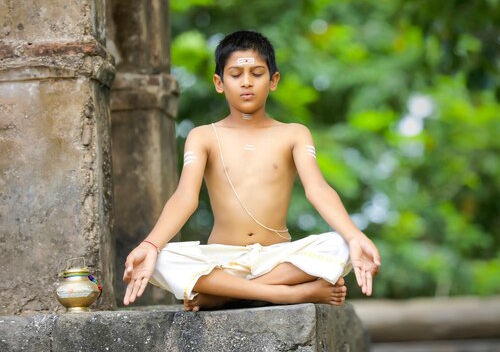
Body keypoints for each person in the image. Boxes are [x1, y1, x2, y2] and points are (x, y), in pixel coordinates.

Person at [123, 30, 381, 311]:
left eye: (257, 73)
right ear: (219, 83)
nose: (246, 82)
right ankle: (284, 294)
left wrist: (356, 236)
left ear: (273, 80)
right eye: (236, 74)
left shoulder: (294, 134)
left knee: (340, 244)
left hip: (277, 257)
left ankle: (228, 295)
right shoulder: (202, 136)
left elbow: (317, 189)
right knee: (161, 257)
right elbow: (185, 197)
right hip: (222, 259)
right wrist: (149, 245)